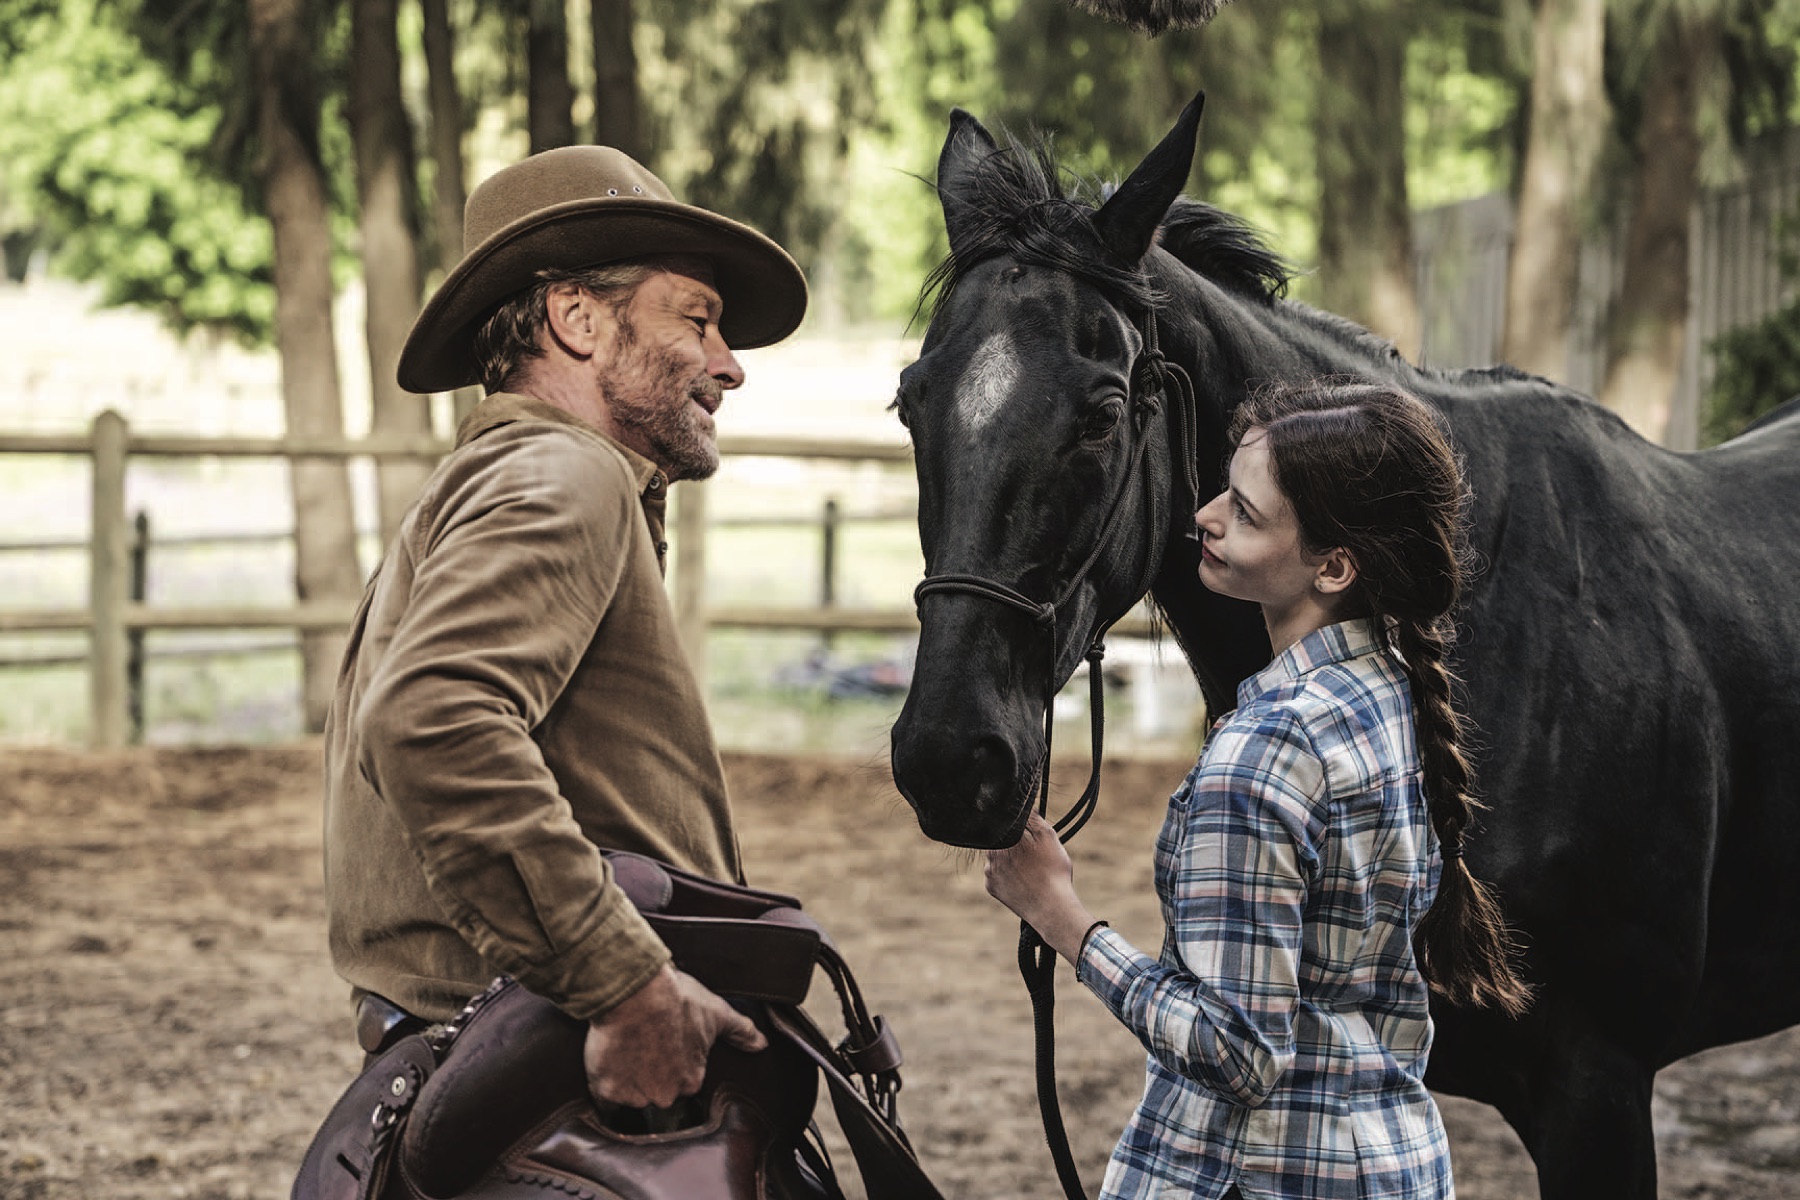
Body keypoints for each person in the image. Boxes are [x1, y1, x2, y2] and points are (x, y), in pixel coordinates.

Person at [322, 144, 808, 1111]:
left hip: (501, 1058)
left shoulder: (498, 481)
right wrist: (623, 986)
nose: (729, 366)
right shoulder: (565, 474)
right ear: (577, 319)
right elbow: (433, 719)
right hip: (557, 1068)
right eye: (697, 320)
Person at [983, 380, 1532, 1199]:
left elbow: (1237, 1053)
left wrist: (1064, 921)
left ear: (1334, 566)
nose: (1203, 517)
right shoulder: (1389, 691)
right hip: (1386, 1163)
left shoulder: (1268, 749)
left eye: (1244, 514)